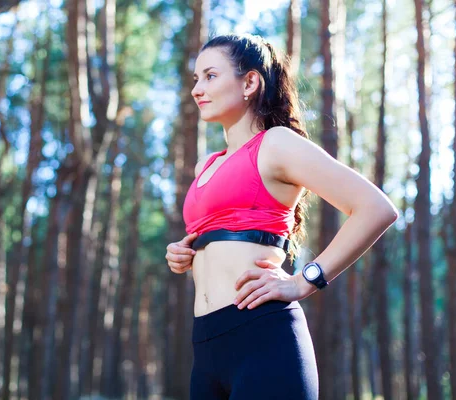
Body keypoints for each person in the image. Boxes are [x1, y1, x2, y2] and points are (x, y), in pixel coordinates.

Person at [165, 33, 398, 400]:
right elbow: (224, 233)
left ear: (250, 82)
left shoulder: (276, 143)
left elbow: (376, 208)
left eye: (210, 76)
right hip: (206, 348)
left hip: (263, 339)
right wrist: (183, 253)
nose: (197, 89)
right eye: (196, 79)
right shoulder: (205, 166)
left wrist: (305, 281)